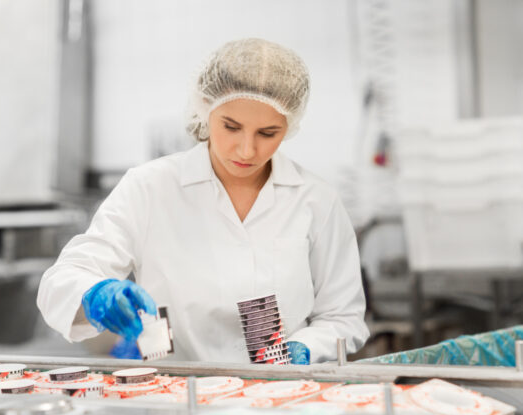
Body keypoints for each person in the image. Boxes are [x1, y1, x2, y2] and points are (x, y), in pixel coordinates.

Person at [38, 38, 369, 364]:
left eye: (268, 133)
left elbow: (344, 317)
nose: (247, 150)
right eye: (231, 126)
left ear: (291, 126)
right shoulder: (150, 187)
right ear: (205, 109)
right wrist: (96, 295)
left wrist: (307, 348)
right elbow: (61, 282)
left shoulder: (316, 200)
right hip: (176, 399)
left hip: (281, 401)